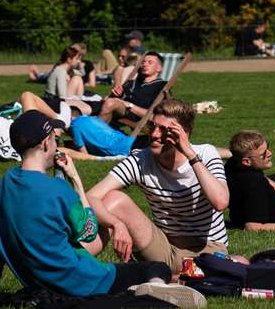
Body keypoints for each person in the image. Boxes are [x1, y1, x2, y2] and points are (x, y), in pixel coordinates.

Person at [0, 111, 173, 298]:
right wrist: (75, 180)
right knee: (157, 268)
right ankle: (155, 291)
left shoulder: (2, 186)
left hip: (38, 283)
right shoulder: (58, 190)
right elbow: (89, 231)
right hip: (83, 281)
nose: (56, 145)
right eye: (54, 139)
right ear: (45, 143)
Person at [87, 98, 230, 271]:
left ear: (184, 133)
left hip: (207, 252)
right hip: (164, 248)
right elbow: (90, 197)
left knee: (205, 270)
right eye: (152, 126)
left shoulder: (206, 155)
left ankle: (170, 276)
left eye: (164, 130)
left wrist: (190, 155)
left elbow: (220, 202)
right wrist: (116, 224)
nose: (154, 134)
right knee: (113, 200)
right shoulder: (140, 160)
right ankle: (75, 265)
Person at [96, 51, 167, 128]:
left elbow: (153, 115)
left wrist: (129, 105)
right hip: (121, 109)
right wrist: (115, 94)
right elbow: (113, 98)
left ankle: (94, 135)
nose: (144, 64)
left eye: (150, 62)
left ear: (159, 68)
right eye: (143, 62)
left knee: (110, 103)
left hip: (137, 117)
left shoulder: (161, 86)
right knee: (86, 105)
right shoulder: (134, 82)